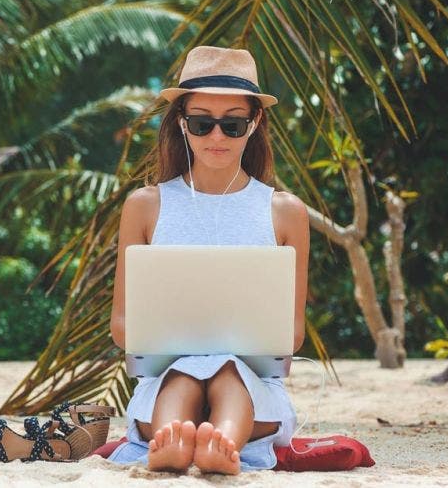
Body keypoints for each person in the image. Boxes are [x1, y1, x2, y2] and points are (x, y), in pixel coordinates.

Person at [107, 46, 310, 474]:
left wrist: (221, 351)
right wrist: (186, 348)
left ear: (254, 124)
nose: (216, 137)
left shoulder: (285, 211)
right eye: (202, 123)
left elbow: (291, 334)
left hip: (255, 391)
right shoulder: (145, 206)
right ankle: (174, 441)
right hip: (164, 383)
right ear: (182, 124)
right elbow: (122, 324)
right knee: (184, 373)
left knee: (228, 371)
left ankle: (222, 443)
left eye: (232, 124)